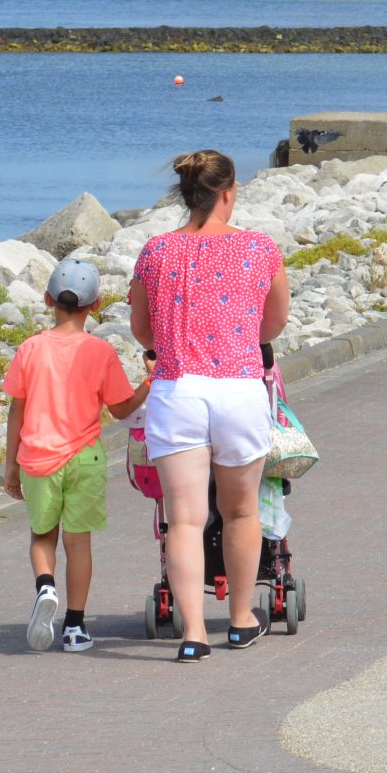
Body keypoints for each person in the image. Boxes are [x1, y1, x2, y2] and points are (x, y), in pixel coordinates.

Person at [130, 149, 291, 662]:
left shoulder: (156, 251)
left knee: (184, 520)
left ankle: (194, 633)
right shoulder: (259, 248)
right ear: (228, 192)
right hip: (238, 389)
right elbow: (274, 323)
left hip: (177, 391)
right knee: (241, 511)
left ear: (185, 194)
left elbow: (142, 330)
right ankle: (241, 620)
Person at [1, 257, 148, 652]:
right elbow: (121, 408)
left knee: (42, 535)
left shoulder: (30, 349)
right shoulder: (100, 352)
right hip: (85, 457)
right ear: (95, 304)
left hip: (38, 458)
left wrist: (11, 464)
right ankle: (75, 627)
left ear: (48, 300)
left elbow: (16, 410)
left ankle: (45, 586)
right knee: (79, 543)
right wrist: (149, 383)